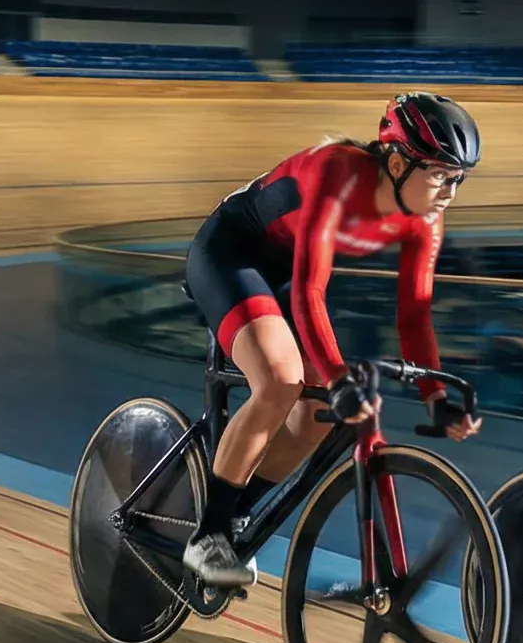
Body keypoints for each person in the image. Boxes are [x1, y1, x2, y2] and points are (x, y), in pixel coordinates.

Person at [179, 92, 485, 587]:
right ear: (397, 160)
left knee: (321, 411)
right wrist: (342, 376)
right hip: (230, 254)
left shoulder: (426, 219)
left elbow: (414, 314)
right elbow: (309, 290)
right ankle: (208, 535)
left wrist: (436, 396)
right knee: (281, 380)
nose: (450, 190)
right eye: (439, 173)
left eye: (458, 177)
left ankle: (237, 514)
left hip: (282, 269)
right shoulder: (337, 175)